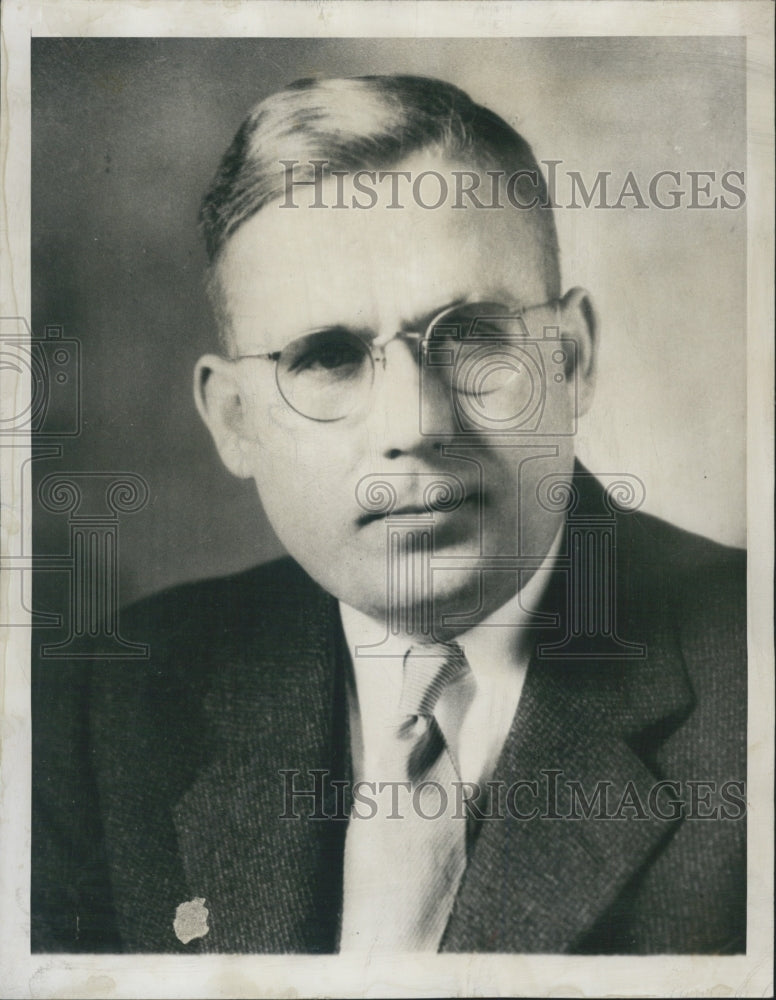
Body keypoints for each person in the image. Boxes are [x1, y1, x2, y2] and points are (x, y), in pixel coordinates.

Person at [31, 74, 746, 954]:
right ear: (236, 420)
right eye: (329, 357)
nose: (415, 424)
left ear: (572, 359)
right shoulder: (95, 712)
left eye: (474, 334)